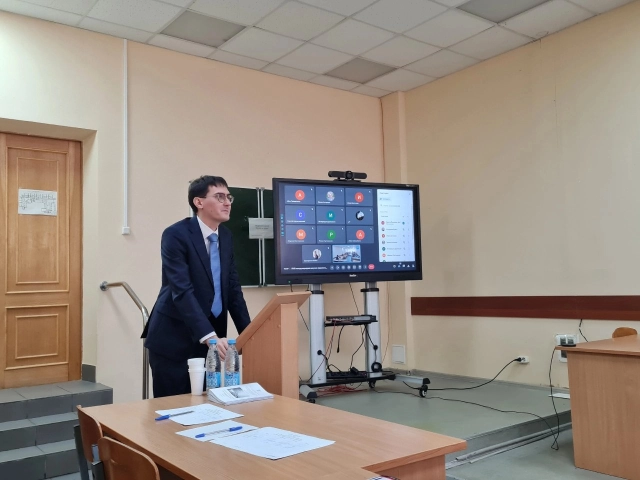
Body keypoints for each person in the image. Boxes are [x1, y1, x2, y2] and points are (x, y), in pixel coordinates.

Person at [142, 175, 251, 397]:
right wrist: (209, 336)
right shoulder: (176, 234)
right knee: (173, 408)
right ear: (198, 202)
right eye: (219, 197)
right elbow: (181, 290)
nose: (227, 202)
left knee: (208, 404)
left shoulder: (226, 236)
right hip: (174, 338)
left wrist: (250, 335)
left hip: (210, 341)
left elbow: (233, 290)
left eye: (228, 197)